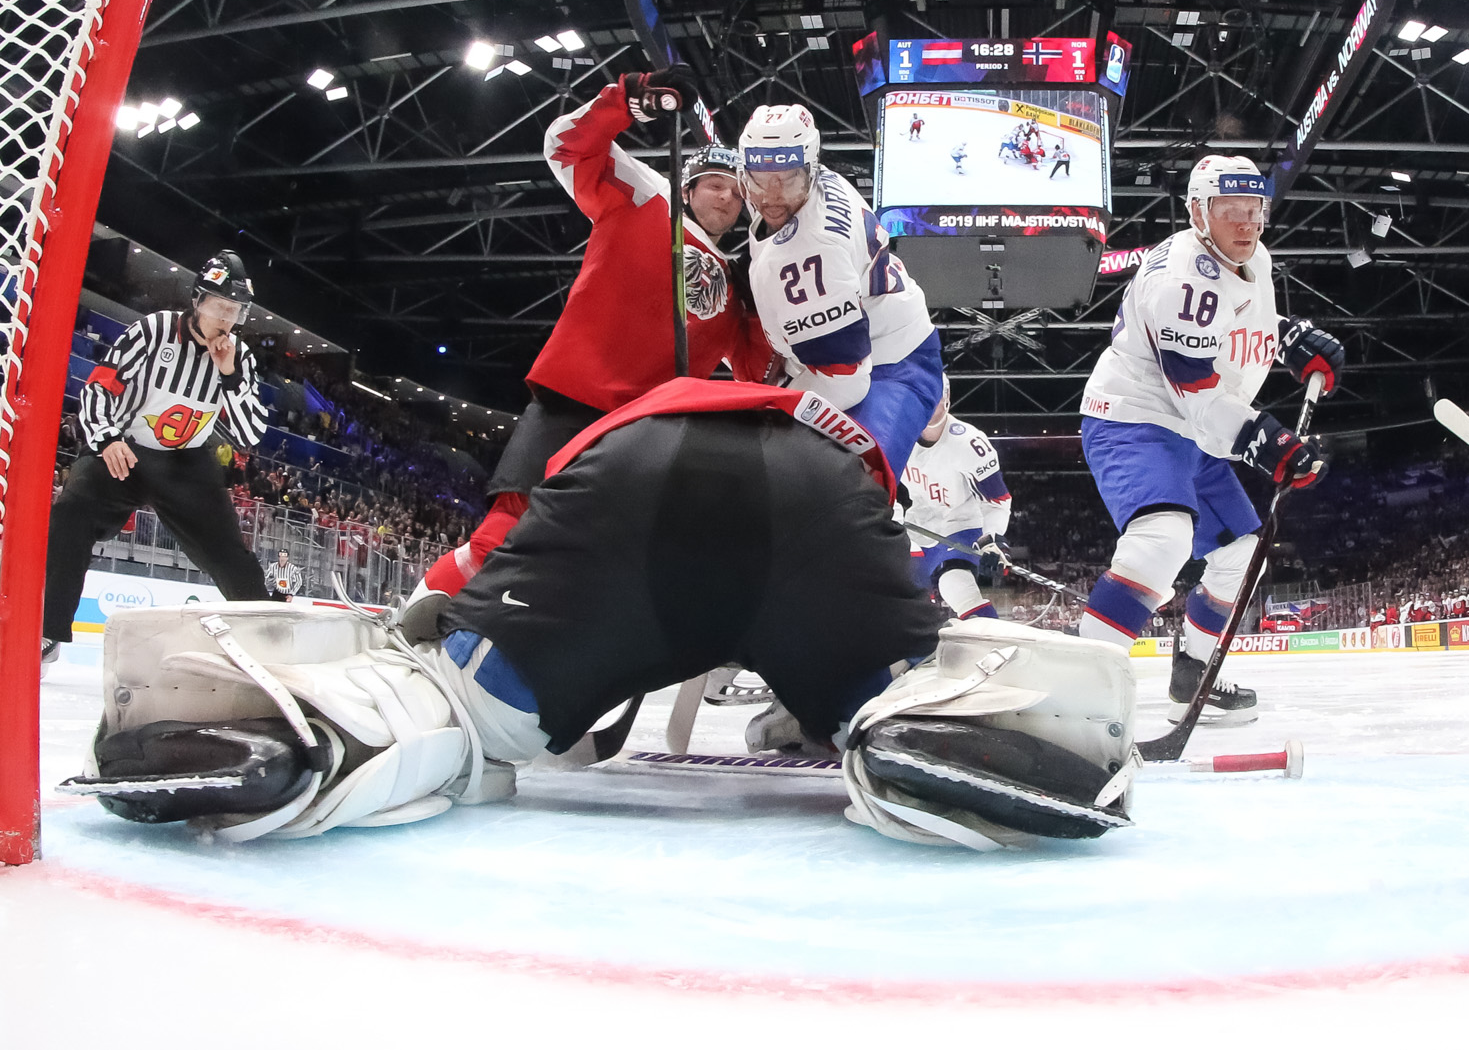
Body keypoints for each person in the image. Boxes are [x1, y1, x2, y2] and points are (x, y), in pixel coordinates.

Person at [67, 379, 1139, 851]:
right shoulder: (854, 416)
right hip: (825, 493)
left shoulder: (618, 407)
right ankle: (978, 724)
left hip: (628, 473)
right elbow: (890, 560)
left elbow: (482, 552)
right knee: (895, 692)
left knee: (464, 709)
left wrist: (430, 617)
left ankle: (316, 725)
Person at [418, 72, 770, 600]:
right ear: (689, 185)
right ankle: (418, 617)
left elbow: (756, 374)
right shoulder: (648, 197)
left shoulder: (741, 283)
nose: (727, 198)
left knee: (609, 558)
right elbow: (565, 145)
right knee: (508, 531)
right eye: (715, 184)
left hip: (643, 433)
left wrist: (764, 306)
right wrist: (633, 98)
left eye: (736, 192)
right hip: (578, 398)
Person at [1073, 154, 1343, 722]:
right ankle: (1076, 690)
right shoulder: (1183, 280)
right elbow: (1196, 389)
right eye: (1230, 211)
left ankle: (1193, 673)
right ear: (1199, 212)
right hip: (1138, 418)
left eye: (1255, 210)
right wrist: (1268, 443)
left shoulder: (1251, 255)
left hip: (1196, 427)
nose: (1246, 224)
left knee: (1243, 558)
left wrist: (1287, 339)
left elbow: (1243, 324)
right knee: (1163, 540)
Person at [42, 251, 270, 665]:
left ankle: (269, 639)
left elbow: (248, 433)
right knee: (71, 514)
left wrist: (229, 375)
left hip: (186, 464)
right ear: (198, 301)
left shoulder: (240, 357)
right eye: (220, 307)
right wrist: (106, 439)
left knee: (230, 555)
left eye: (235, 311)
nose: (227, 319)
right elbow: (98, 388)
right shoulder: (154, 330)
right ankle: (48, 631)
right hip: (126, 449)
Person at [738, 103, 943, 475]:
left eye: (786, 178)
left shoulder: (810, 251)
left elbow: (847, 380)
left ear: (810, 169)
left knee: (860, 483)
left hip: (889, 364)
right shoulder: (812, 178)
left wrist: (772, 416)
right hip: (854, 334)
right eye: (759, 178)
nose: (771, 196)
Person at [903, 377, 1012, 620]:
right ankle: (916, 650)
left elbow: (997, 501)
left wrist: (992, 540)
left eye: (936, 399)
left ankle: (989, 645)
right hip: (913, 525)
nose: (929, 405)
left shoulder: (969, 444)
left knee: (956, 585)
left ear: (947, 400)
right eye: (923, 397)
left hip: (959, 525)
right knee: (903, 595)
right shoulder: (897, 433)